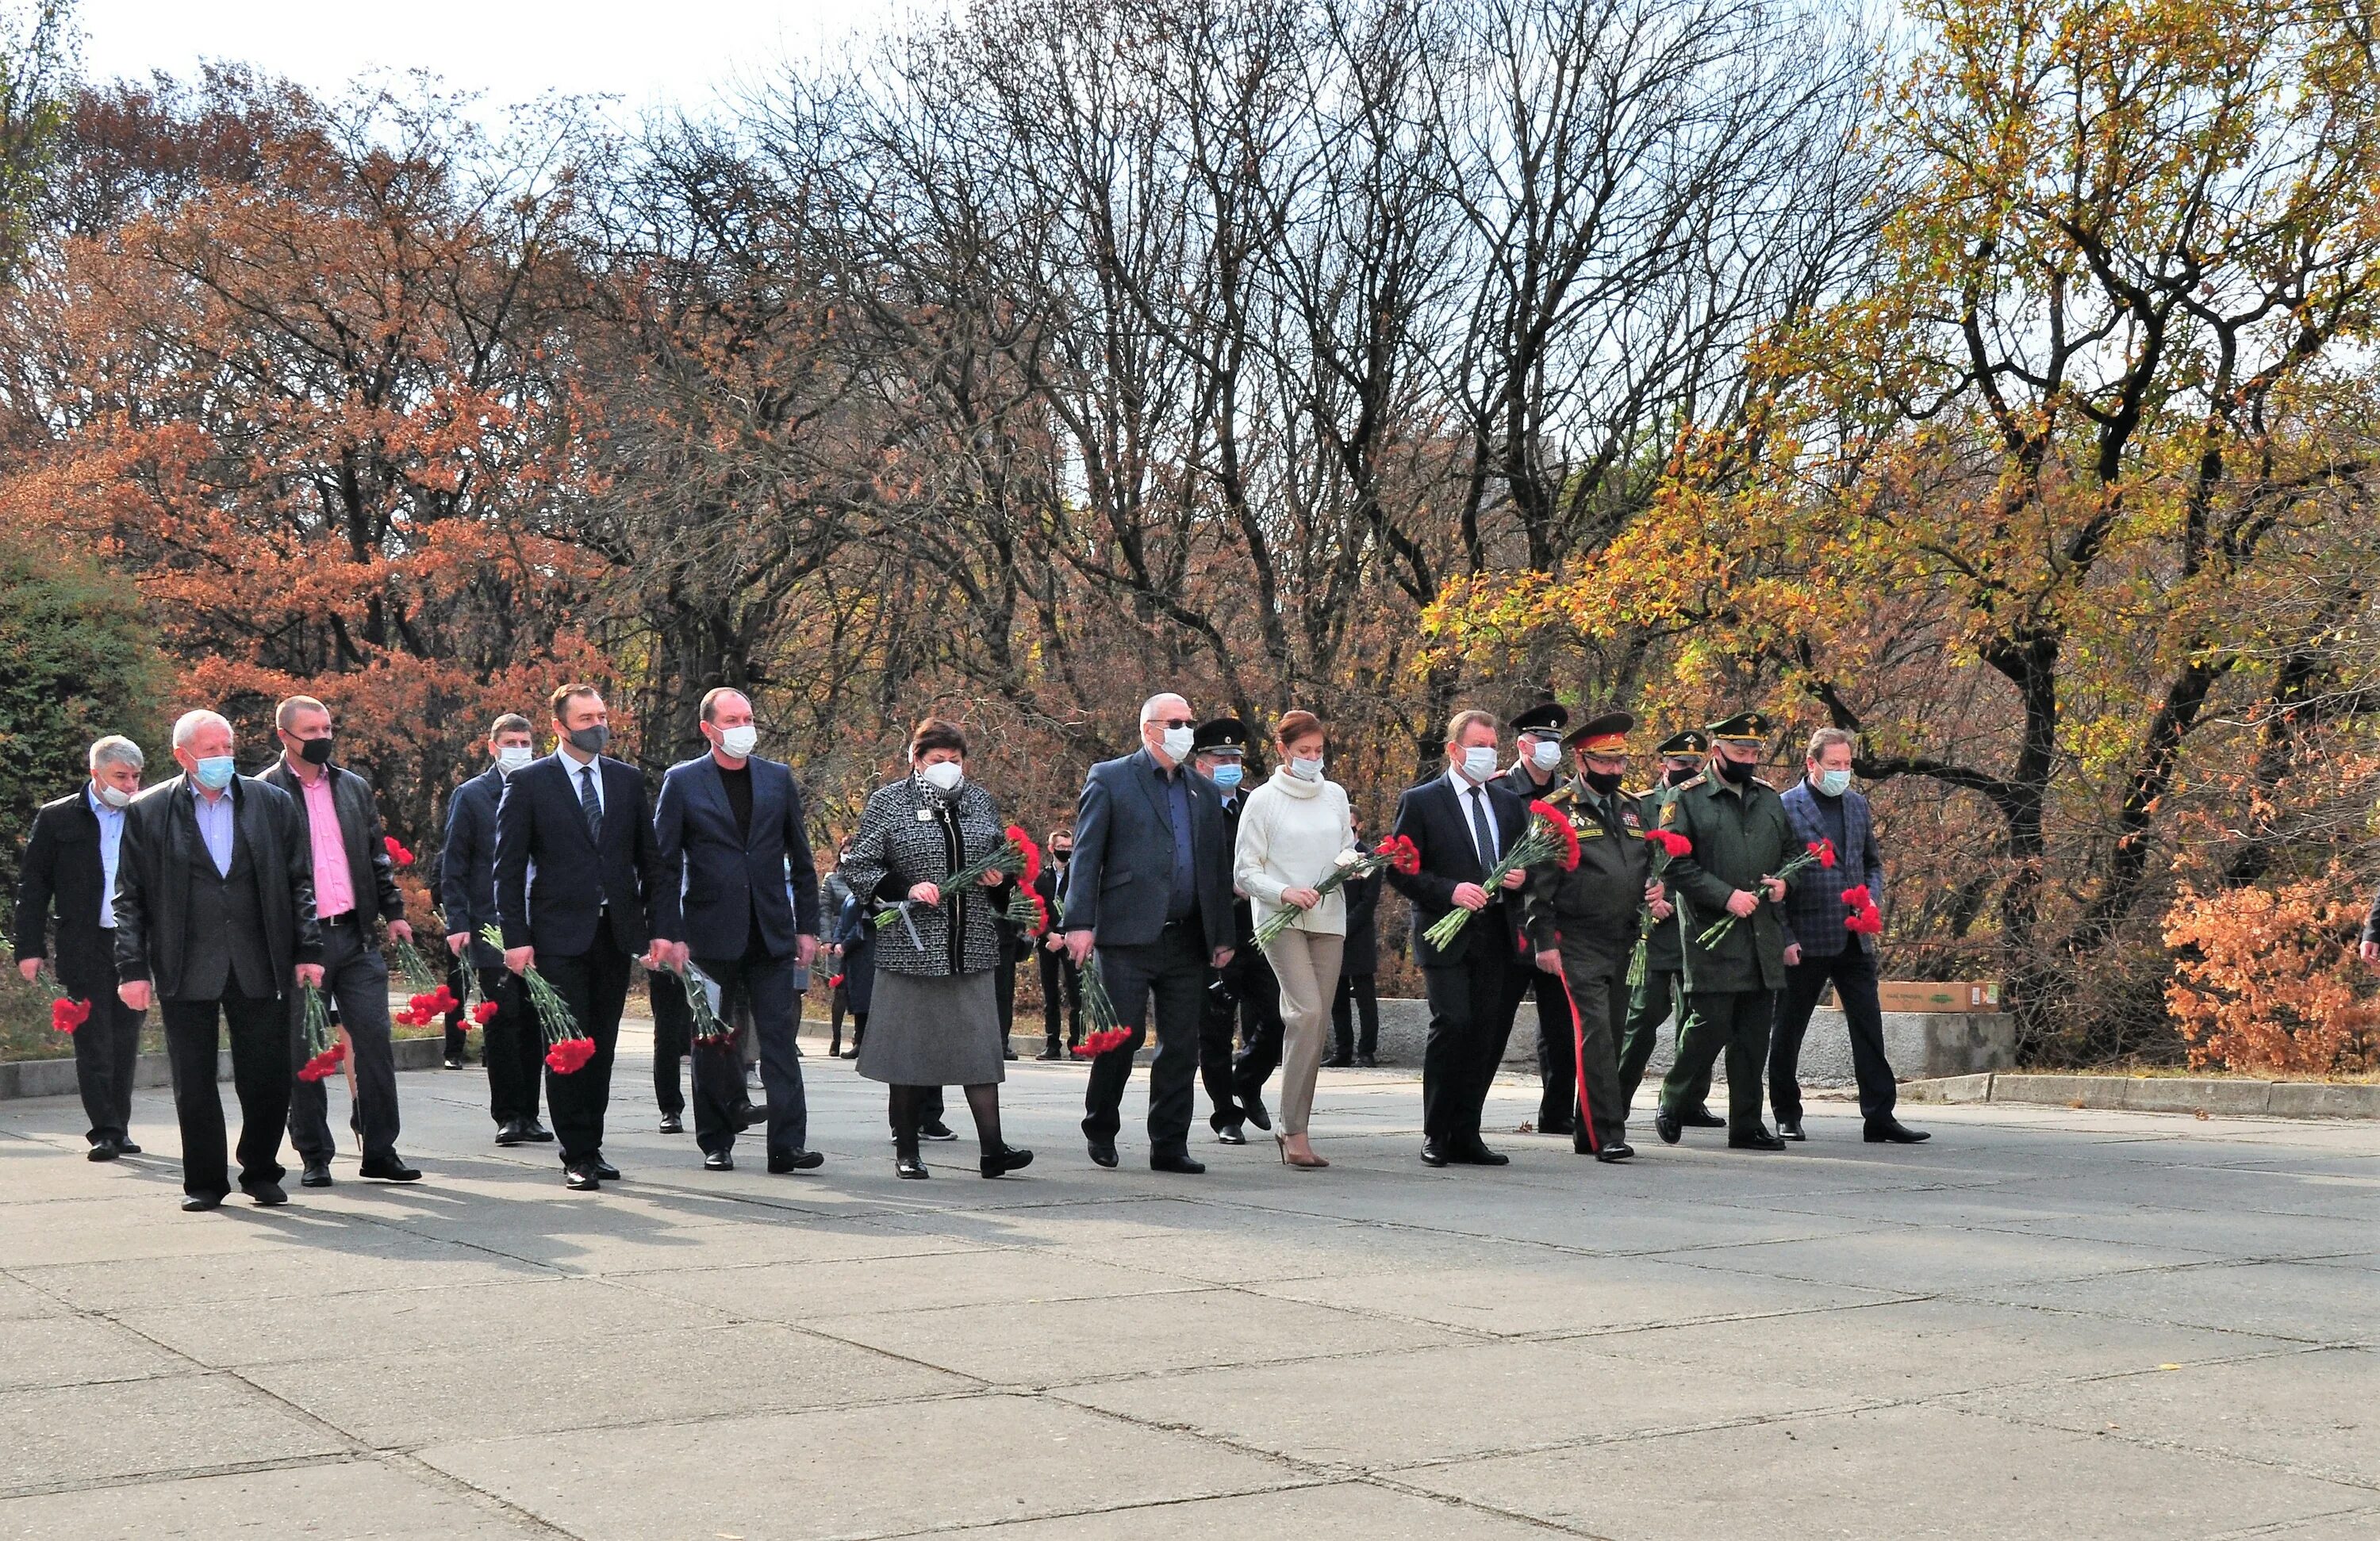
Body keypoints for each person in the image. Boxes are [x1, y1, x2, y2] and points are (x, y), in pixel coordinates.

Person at [113, 709, 324, 1210]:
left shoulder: (271, 803)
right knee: (194, 1080)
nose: (222, 758)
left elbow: (301, 882)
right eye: (210, 750)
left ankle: (261, 1170)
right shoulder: (148, 811)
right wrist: (131, 969)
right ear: (182, 756)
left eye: (226, 747)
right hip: (185, 962)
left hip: (261, 958)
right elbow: (130, 897)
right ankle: (205, 1182)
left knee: (268, 1076)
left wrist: (309, 949)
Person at [841, 718, 1032, 1179]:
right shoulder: (890, 802)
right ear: (916, 761)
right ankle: (908, 1150)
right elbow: (860, 864)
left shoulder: (980, 802)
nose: (947, 768)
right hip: (913, 948)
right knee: (908, 1057)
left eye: (955, 760)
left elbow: (1004, 868)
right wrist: (907, 887)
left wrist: (999, 879)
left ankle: (993, 1149)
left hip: (972, 948)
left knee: (980, 1054)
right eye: (937, 761)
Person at [494, 683, 664, 1191]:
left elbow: (650, 862)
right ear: (560, 726)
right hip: (556, 936)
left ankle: (593, 1142)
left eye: (603, 715)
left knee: (604, 1045)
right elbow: (507, 869)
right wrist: (516, 938)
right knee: (570, 1042)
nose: (598, 725)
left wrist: (660, 930)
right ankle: (577, 1151)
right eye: (586, 717)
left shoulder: (627, 781)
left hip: (614, 933)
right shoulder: (530, 783)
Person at [651, 687, 824, 1175]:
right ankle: (716, 1139)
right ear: (708, 729)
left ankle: (787, 1145)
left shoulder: (776, 778)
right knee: (713, 1042)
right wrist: (667, 931)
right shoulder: (682, 782)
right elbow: (663, 864)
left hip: (771, 931)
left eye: (748, 717)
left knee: (779, 1042)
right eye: (732, 720)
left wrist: (807, 926)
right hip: (707, 931)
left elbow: (803, 860)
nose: (743, 727)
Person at [1064, 692, 1236, 1174]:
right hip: (1126, 933)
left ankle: (1170, 1142)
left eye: (1189, 721)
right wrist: (1079, 923)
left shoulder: (1202, 791)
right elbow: (1086, 855)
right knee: (1123, 1036)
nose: (1186, 730)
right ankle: (1101, 1126)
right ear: (1148, 729)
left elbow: (1215, 870)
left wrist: (1222, 935)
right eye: (1175, 722)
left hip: (1186, 937)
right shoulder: (1111, 777)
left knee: (1181, 1044)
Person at [260, 696, 422, 1187]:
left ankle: (379, 1149)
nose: (323, 738)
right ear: (285, 737)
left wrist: (393, 913)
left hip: (355, 935)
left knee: (373, 1043)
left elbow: (376, 857)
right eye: (311, 730)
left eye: (328, 727)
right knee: (307, 1050)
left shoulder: (352, 787)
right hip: (300, 946)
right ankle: (314, 1153)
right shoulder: (265, 792)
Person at [1385, 707, 1533, 1167]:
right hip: (1445, 935)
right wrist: (1449, 891)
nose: (1488, 755)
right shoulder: (1423, 800)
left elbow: (1528, 865)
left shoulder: (1508, 803)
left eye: (1493, 747)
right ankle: (1437, 1131)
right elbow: (1401, 868)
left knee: (1486, 1034)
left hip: (1496, 937)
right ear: (1454, 749)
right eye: (1479, 746)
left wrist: (1522, 876)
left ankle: (1467, 1132)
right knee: (1453, 1024)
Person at [1770, 726, 1929, 1144]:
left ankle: (1880, 1116)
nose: (1842, 771)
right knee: (1788, 1028)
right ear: (1812, 764)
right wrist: (1784, 936)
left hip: (1855, 936)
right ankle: (1786, 1111)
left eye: (1847, 764)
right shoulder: (1785, 808)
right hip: (1806, 935)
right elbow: (1773, 880)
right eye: (1834, 764)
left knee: (1868, 1026)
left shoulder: (1857, 806)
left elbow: (1871, 863)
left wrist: (1871, 897)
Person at [1652, 712, 1795, 1152]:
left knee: (1754, 1035)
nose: (1749, 759)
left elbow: (1791, 850)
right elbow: (1674, 865)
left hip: (1761, 934)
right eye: (1739, 752)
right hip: (1711, 931)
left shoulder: (1769, 799)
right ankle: (1674, 1100)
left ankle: (1747, 1123)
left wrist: (1785, 882)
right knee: (1708, 1025)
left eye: (1754, 752)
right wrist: (1725, 895)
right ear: (1717, 752)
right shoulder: (1686, 798)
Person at [1521, 711, 1650, 1163]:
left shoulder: (1633, 807)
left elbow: (1641, 864)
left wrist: (1655, 889)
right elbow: (1539, 886)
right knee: (1595, 1032)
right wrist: (1544, 943)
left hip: (1623, 938)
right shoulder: (1557, 810)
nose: (1615, 770)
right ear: (1582, 759)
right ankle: (1606, 1134)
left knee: (1613, 1033)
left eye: (1621, 761)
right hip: (1578, 940)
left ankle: (1587, 1128)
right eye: (1605, 761)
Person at [14, 735, 150, 1160]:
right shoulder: (58, 818)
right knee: (93, 1037)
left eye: (135, 777)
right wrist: (29, 948)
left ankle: (121, 1125)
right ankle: (105, 1129)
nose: (129, 785)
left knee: (126, 1036)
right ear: (96, 774)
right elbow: (33, 886)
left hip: (133, 942)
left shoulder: (146, 814)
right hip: (83, 940)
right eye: (120, 776)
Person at [1232, 711, 1352, 1169]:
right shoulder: (1263, 801)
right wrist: (1283, 892)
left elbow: (1345, 845)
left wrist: (1352, 863)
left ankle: (1295, 1125)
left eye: (1319, 751)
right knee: (1307, 1012)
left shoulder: (1336, 795)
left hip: (1328, 916)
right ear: (1283, 751)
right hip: (1279, 919)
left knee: (1317, 1025)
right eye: (1304, 752)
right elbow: (1245, 871)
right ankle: (1292, 1130)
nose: (1313, 759)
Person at [441, 714, 551, 1147]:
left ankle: (531, 1112)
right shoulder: (472, 796)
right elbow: (456, 863)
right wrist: (458, 921)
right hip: (493, 925)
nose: (519, 749)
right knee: (503, 1020)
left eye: (526, 742)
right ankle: (507, 1113)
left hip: (540, 923)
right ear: (492, 746)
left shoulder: (545, 789)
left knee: (535, 1021)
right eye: (511, 742)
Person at [1615, 728, 1722, 1127]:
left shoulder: (1709, 802)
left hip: (1695, 924)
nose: (1689, 770)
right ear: (1663, 766)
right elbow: (1629, 856)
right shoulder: (1639, 806)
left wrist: (1675, 897)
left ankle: (1687, 1101)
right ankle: (1618, 1102)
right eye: (1681, 764)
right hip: (1653, 930)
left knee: (1697, 1018)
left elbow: (1711, 862)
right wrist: (1649, 893)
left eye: (1696, 764)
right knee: (1643, 1018)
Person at [1192, 718, 1282, 1144]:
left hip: (1260, 925)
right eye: (1220, 757)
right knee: (1214, 1024)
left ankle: (1246, 1077)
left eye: (1235, 758)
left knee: (1278, 1016)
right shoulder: (1191, 803)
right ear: (1201, 762)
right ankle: (1224, 1111)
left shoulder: (1255, 803)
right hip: (1212, 929)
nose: (1230, 764)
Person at [1494, 701, 1577, 1134]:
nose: (1551, 749)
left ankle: (1559, 1110)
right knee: (1494, 1021)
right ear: (1523, 745)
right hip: (1508, 923)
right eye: (1543, 741)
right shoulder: (1499, 791)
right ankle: (1466, 1110)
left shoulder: (1570, 795)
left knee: (1561, 1026)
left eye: (1556, 742)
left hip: (1557, 921)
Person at [1326, 811, 1381, 1068]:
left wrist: (1346, 926)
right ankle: (1342, 1050)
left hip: (1358, 937)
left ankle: (1367, 1051)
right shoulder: (1331, 858)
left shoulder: (1369, 858)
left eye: (1352, 828)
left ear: (1359, 826)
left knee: (1365, 999)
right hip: (1333, 934)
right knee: (1337, 999)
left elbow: (1368, 902)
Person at [1034, 828, 1081, 1059]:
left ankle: (1077, 1044)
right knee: (1050, 994)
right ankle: (1052, 1044)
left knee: (1076, 994)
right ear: (1051, 848)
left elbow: (1085, 905)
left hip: (1073, 939)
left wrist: (1070, 935)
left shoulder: (1079, 875)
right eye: (1061, 847)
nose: (1066, 851)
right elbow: (1034, 910)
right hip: (1048, 941)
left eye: (1069, 847)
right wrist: (1049, 935)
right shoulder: (1041, 877)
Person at [821, 847, 853, 1056]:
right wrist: (826, 939)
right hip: (837, 938)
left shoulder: (863, 878)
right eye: (845, 851)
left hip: (860, 939)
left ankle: (859, 1038)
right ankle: (836, 1038)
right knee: (840, 991)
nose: (848, 855)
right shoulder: (832, 880)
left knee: (861, 991)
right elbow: (823, 910)